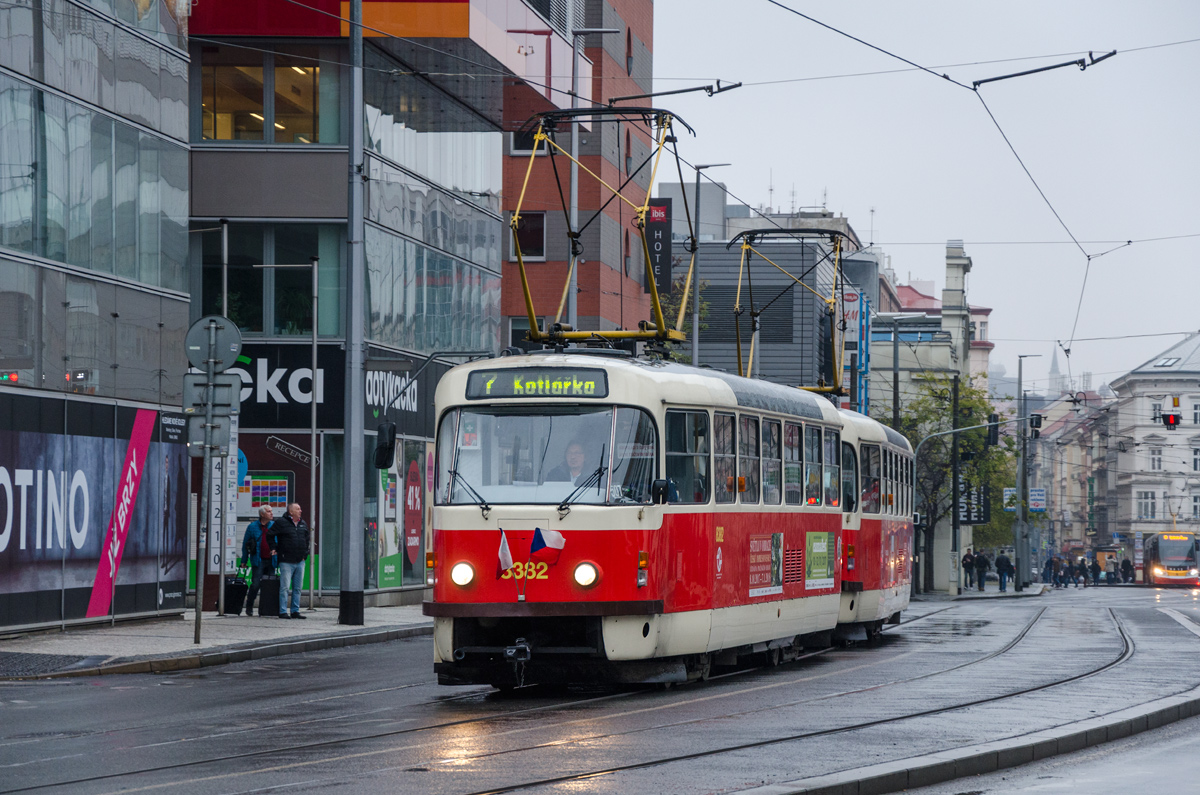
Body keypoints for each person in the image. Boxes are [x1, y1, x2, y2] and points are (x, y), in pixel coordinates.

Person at [272, 502, 311, 619]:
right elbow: (270, 534)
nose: (301, 511)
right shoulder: (281, 523)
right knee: (284, 587)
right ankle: (283, 611)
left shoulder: (302, 524)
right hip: (286, 561)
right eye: (298, 509)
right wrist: (274, 548)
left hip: (300, 561)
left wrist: (305, 554)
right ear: (291, 512)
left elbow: (307, 539)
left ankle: (295, 610)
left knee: (298, 587)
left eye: (300, 509)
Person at [238, 506, 276, 616]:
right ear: (262, 514)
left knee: (269, 586)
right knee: (255, 584)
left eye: (271, 511)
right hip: (258, 560)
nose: (271, 513)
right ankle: (249, 605)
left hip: (271, 560)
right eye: (269, 511)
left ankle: (265, 609)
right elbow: (246, 544)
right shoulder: (252, 527)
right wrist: (244, 560)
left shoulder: (274, 526)